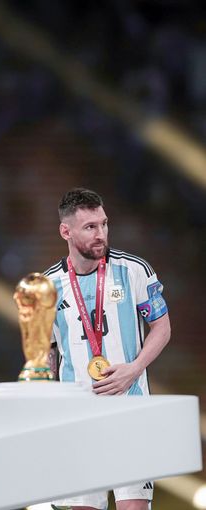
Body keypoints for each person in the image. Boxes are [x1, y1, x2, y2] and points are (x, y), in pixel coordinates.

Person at [44, 188, 171, 510]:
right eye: (90, 227)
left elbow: (162, 328)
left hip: (130, 413)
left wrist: (134, 368)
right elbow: (47, 352)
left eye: (103, 224)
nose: (101, 234)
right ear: (65, 231)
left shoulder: (133, 270)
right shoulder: (46, 287)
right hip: (77, 421)